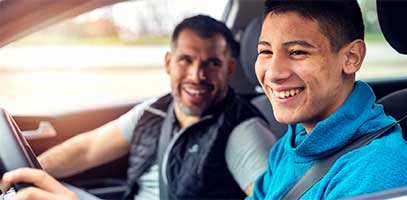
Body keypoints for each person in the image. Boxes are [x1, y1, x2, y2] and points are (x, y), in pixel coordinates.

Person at [1, 15, 276, 200]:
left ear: (229, 69)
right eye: (186, 60)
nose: (196, 75)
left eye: (212, 64)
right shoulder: (155, 110)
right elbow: (86, 149)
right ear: (168, 63)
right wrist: (23, 175)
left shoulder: (243, 132)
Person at [248, 0, 407, 199]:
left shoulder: (379, 168)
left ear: (351, 57)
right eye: (265, 52)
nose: (273, 73)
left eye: (297, 52)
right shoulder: (291, 142)